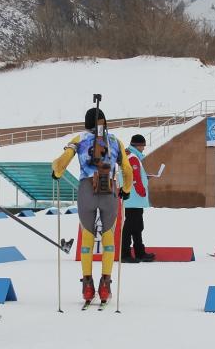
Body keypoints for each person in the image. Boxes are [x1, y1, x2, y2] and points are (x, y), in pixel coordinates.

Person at [51, 107, 133, 305]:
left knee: (87, 237)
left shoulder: (79, 139)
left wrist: (57, 172)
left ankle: (87, 286)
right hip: (110, 190)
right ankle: (105, 285)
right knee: (108, 238)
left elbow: (61, 162)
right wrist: (126, 189)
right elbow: (127, 170)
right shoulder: (115, 141)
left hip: (86, 189)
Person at [120, 133, 155, 263]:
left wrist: (145, 178)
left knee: (137, 226)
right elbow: (134, 177)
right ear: (138, 145)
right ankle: (125, 254)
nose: (144, 148)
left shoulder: (129, 155)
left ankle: (140, 252)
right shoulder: (133, 157)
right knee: (130, 227)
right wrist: (142, 191)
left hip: (132, 197)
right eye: (143, 146)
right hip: (134, 197)